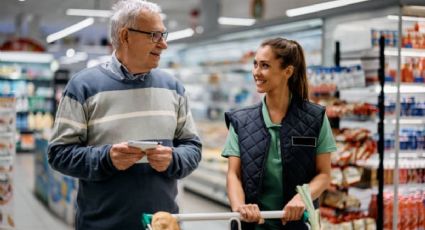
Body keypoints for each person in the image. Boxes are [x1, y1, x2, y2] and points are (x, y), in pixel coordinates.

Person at [47, 0, 202, 229]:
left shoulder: (173, 88)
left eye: (163, 35)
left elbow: (192, 147)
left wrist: (173, 159)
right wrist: (107, 158)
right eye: (154, 35)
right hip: (101, 224)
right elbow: (58, 154)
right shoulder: (83, 87)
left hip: (162, 223)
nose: (164, 44)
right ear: (125, 36)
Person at [222, 38, 336, 230]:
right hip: (254, 226)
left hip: (299, 224)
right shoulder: (240, 121)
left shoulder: (315, 118)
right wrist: (240, 208)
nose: (256, 72)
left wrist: (302, 197)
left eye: (265, 66)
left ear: (288, 71)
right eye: (255, 64)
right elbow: (234, 174)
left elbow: (324, 175)